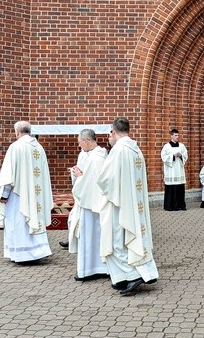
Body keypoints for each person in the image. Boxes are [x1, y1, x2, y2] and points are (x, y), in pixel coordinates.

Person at [95, 117, 159, 296]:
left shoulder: (118, 150)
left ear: (113, 132)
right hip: (133, 202)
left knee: (117, 240)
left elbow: (106, 179)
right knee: (131, 238)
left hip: (119, 203)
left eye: (110, 134)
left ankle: (132, 275)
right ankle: (123, 276)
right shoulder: (136, 149)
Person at [0, 121, 53, 263]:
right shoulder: (39, 147)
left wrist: (4, 195)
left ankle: (22, 254)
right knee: (34, 218)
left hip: (19, 195)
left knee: (18, 221)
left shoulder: (16, 147)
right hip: (35, 194)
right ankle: (38, 251)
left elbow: (9, 175)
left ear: (17, 132)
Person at [66, 129, 110, 281]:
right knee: (97, 235)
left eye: (79, 142)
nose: (79, 146)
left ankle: (89, 269)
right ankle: (101, 267)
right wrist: (79, 175)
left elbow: (90, 181)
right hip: (96, 203)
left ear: (86, 141)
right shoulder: (100, 155)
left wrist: (79, 177)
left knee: (89, 235)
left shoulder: (95, 159)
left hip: (90, 203)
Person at [161, 128, 188, 211]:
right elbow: (163, 157)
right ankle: (170, 206)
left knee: (180, 188)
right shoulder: (166, 146)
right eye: (175, 135)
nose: (177, 137)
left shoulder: (182, 146)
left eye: (178, 135)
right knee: (171, 188)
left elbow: (186, 155)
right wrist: (172, 156)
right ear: (171, 136)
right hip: (171, 171)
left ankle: (180, 205)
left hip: (179, 170)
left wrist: (180, 155)